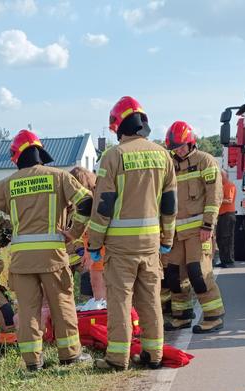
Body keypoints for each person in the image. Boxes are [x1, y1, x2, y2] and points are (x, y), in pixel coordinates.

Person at [0, 129, 93, 371]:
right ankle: (70, 355)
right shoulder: (58, 176)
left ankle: (32, 362)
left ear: (17, 157)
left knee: (28, 309)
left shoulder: (9, 183)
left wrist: (3, 226)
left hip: (21, 260)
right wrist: (76, 231)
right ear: (40, 152)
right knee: (62, 303)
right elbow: (86, 201)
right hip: (53, 256)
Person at [88, 96, 177, 370]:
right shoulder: (162, 154)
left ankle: (117, 358)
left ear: (117, 126)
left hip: (120, 246)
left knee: (120, 301)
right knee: (150, 300)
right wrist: (167, 239)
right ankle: (154, 355)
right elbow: (170, 203)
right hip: (151, 244)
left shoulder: (113, 156)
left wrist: (94, 243)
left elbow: (103, 204)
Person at [164, 121, 225, 334]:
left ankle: (214, 316)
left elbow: (214, 196)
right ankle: (182, 315)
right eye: (175, 148)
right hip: (175, 232)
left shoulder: (205, 162)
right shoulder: (169, 165)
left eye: (182, 146)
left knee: (198, 273)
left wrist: (208, 225)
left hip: (199, 230)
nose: (178, 151)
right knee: (173, 275)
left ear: (191, 143)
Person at [69, 166, 106, 305]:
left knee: (98, 285)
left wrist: (88, 252)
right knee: (95, 284)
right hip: (91, 250)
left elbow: (92, 230)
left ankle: (100, 313)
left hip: (96, 250)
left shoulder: (89, 203)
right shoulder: (93, 200)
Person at [216, 170, 236, 268]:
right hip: (222, 215)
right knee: (220, 238)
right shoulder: (222, 186)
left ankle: (229, 260)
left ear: (225, 176)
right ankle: (223, 259)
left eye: (221, 176)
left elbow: (229, 200)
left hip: (228, 215)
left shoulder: (229, 185)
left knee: (227, 238)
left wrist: (217, 200)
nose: (219, 177)